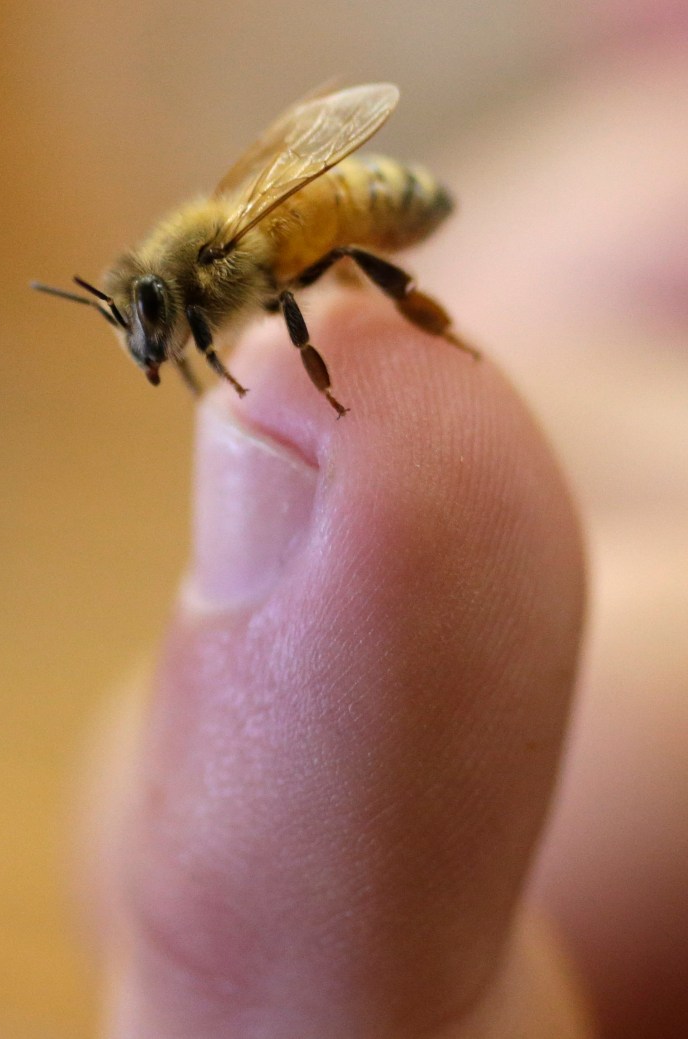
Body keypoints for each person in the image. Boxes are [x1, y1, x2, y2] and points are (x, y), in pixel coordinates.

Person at [85, 38, 688, 1039]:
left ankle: (401, 355)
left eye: (156, 325)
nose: (159, 344)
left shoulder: (235, 261)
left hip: (406, 221)